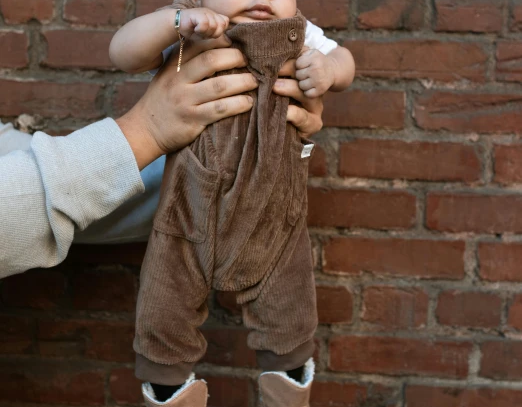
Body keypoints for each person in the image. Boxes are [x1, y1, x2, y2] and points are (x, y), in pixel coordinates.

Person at [109, 0, 355, 407]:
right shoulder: (189, 31)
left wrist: (329, 71)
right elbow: (123, 51)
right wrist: (174, 21)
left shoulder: (304, 37)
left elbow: (347, 61)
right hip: (187, 212)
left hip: (276, 211)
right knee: (165, 315)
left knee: (291, 312)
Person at [0, 35, 323, 279]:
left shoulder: (297, 30)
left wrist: (278, 146)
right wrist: (147, 130)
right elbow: (126, 53)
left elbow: (341, 63)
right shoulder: (195, 22)